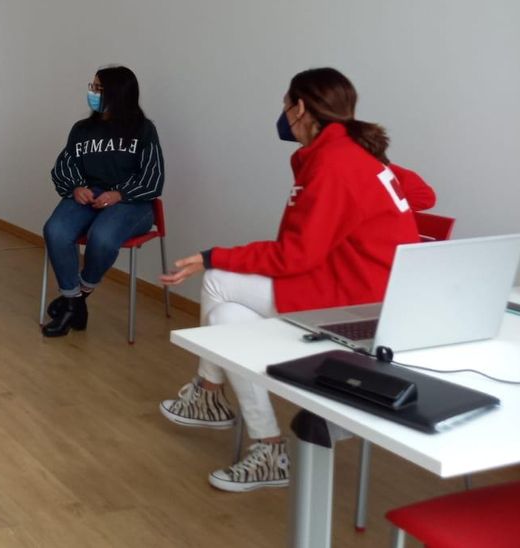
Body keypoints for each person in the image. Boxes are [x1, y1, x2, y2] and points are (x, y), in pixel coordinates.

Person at [157, 68, 437, 492]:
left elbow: (292, 255)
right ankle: (267, 445)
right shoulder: (353, 157)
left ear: (301, 108)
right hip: (362, 290)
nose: (283, 114)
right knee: (227, 319)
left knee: (216, 278)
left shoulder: (336, 162)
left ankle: (208, 393)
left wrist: (210, 255)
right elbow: (422, 195)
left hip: (355, 305)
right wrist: (370, 171)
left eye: (286, 104)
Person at [42, 66, 165, 337]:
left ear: (118, 93)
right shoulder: (82, 130)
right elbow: (63, 166)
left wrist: (120, 194)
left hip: (132, 202)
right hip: (89, 195)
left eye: (98, 88)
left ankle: (76, 298)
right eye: (92, 86)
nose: (92, 92)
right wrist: (76, 188)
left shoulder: (143, 130)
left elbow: (153, 178)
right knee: (56, 230)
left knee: (103, 237)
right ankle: (73, 301)